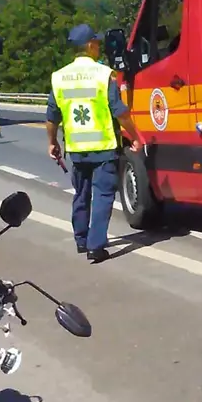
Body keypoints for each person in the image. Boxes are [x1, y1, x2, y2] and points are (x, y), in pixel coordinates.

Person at [46, 24, 144, 262]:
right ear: (89, 45)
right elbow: (119, 111)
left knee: (81, 194)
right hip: (102, 148)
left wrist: (52, 143)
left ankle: (81, 240)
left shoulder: (59, 77)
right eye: (97, 43)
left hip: (77, 150)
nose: (99, 47)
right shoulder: (104, 74)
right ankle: (96, 245)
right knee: (102, 196)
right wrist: (136, 135)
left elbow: (52, 116)